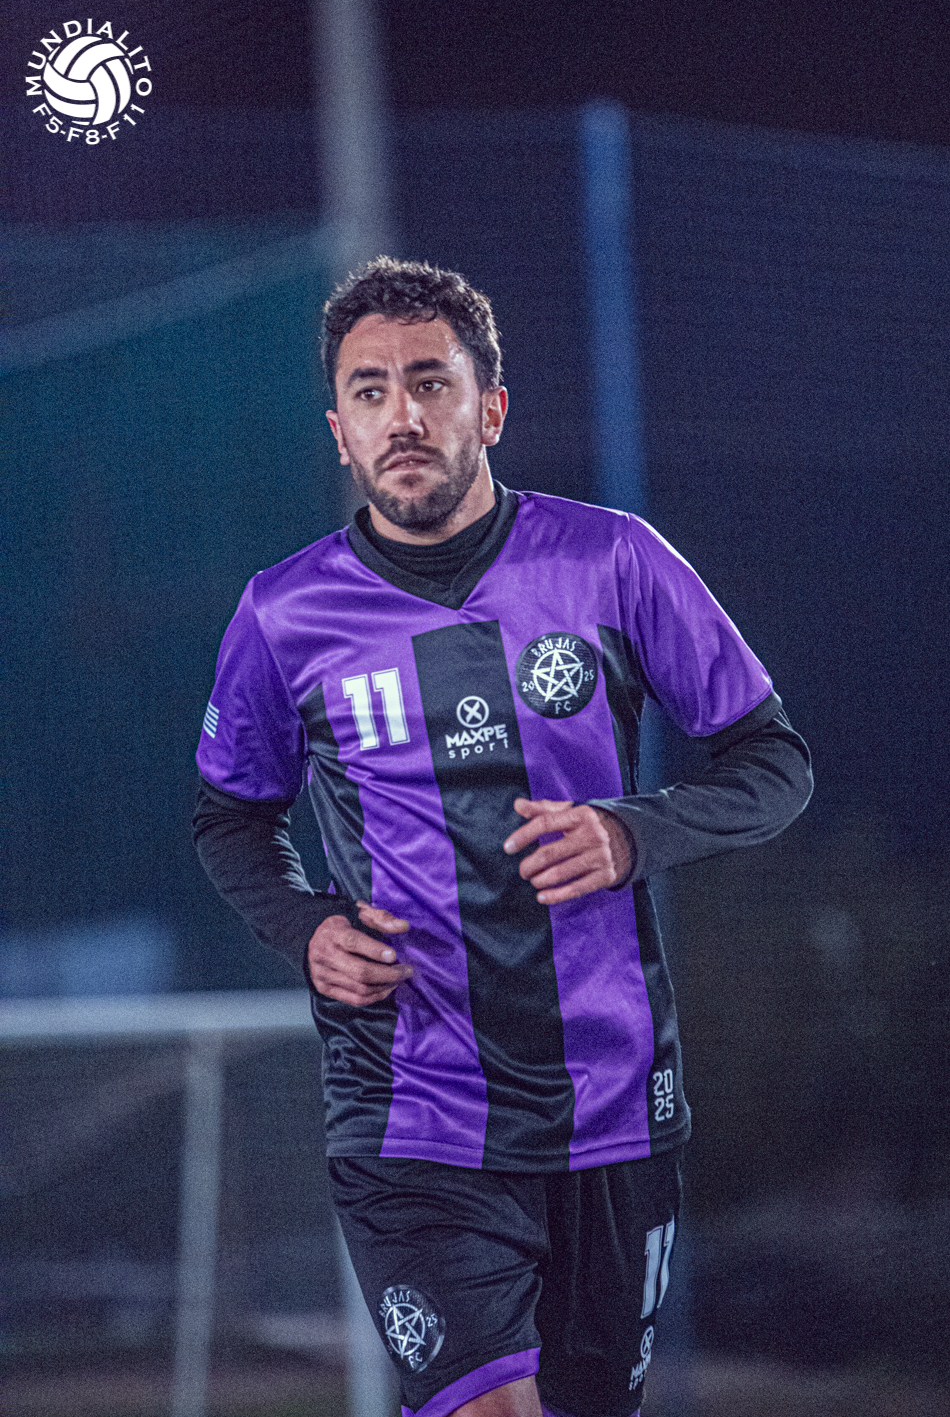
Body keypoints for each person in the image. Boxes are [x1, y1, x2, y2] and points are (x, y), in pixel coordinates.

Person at [194, 257, 812, 1417]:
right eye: (369, 391)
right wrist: (305, 926)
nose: (402, 415)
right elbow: (230, 816)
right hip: (408, 1104)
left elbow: (773, 764)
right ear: (340, 434)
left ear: (489, 409)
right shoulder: (283, 614)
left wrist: (631, 833)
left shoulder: (612, 561)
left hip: (609, 1098)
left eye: (430, 382)